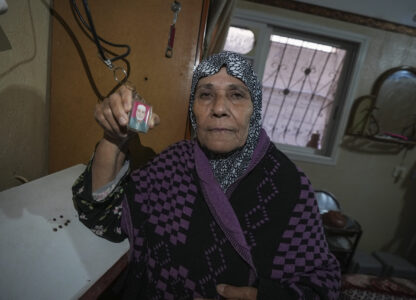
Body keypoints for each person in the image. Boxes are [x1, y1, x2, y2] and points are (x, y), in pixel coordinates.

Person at [73, 51, 340, 299]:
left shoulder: (290, 186)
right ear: (193, 110)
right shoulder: (173, 163)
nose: (219, 108)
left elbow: (321, 285)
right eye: (205, 95)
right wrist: (113, 137)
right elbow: (103, 215)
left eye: (236, 95)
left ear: (255, 109)